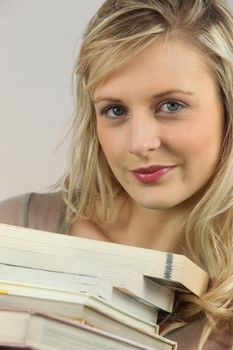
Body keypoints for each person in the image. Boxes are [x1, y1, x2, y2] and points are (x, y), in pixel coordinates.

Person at [1, 0, 233, 348]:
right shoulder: (17, 227)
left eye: (171, 105)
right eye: (115, 110)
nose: (139, 144)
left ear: (227, 107)